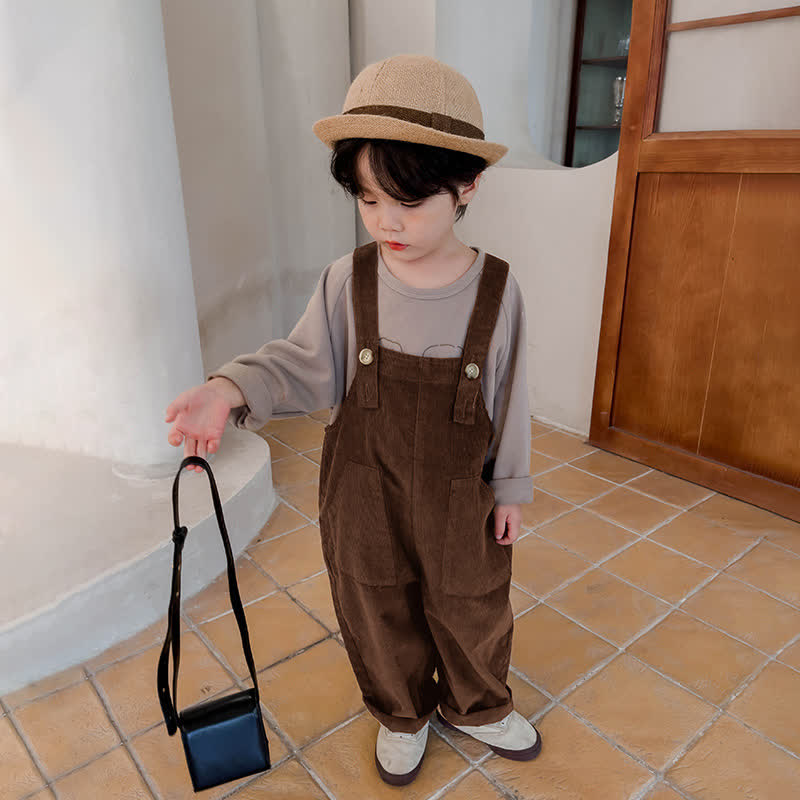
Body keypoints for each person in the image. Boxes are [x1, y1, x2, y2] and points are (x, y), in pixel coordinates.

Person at [164, 53, 540, 786]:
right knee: (374, 603)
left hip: (461, 493)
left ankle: (476, 702)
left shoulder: (497, 290)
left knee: (471, 600)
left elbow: (513, 390)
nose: (386, 222)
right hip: (362, 491)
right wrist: (229, 388)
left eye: (409, 201)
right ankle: (400, 710)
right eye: (369, 201)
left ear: (467, 186)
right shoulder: (350, 280)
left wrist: (514, 488)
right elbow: (302, 363)